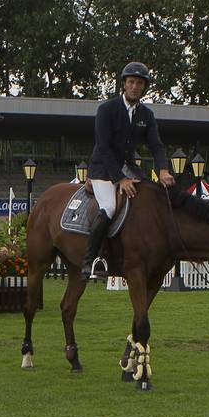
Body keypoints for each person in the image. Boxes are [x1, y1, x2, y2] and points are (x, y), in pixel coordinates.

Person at [83, 62, 176, 279]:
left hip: (129, 167)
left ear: (144, 87)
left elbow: (156, 146)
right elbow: (104, 148)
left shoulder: (146, 115)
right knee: (109, 206)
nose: (135, 86)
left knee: (150, 195)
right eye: (131, 82)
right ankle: (91, 259)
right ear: (124, 84)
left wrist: (163, 170)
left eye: (139, 83)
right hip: (103, 169)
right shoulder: (106, 109)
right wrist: (121, 179)